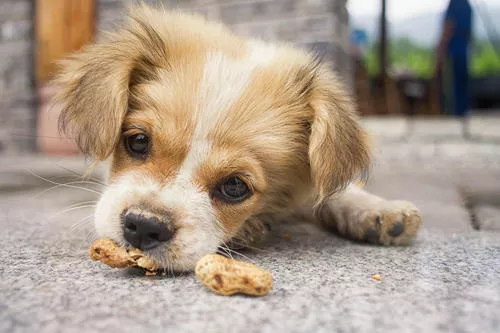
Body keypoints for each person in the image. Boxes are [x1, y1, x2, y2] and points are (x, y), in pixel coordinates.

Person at [435, 0, 473, 137]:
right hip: (464, 53)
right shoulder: (467, 6)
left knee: (451, 90)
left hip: (452, 53)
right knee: (462, 88)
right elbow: (469, 33)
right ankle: (462, 121)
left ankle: (453, 124)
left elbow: (448, 27)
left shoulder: (454, 4)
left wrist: (440, 51)